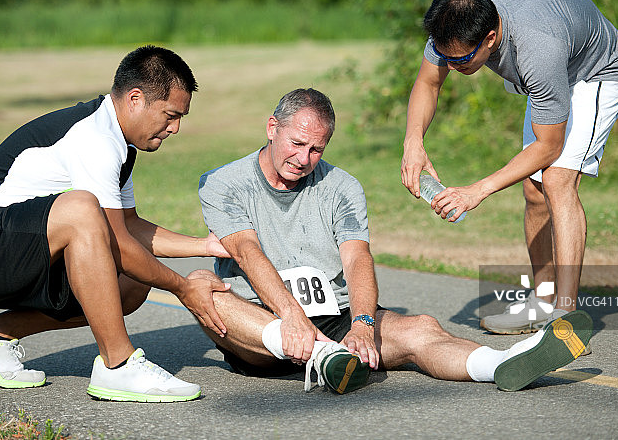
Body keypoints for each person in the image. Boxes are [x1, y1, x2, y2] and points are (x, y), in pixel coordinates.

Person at [193, 88, 592, 394]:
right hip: (262, 325)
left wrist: (364, 324)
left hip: (335, 316)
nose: (304, 158)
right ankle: (324, 356)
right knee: (201, 288)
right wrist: (291, 316)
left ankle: (501, 363)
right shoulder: (224, 182)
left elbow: (357, 258)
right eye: (297, 143)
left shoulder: (342, 185)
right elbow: (247, 252)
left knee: (421, 328)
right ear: (271, 128)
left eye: (317, 149)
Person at [0, 45, 232, 403]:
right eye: (170, 115)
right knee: (82, 209)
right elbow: (116, 243)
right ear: (135, 99)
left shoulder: (119, 145)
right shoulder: (96, 139)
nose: (176, 128)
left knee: (134, 281)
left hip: (9, 247)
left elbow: (128, 227)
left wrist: (205, 245)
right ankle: (117, 366)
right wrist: (183, 288)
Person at [401, 0, 618, 336]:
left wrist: (477, 190)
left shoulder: (538, 47)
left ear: (490, 38)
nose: (452, 66)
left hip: (593, 73)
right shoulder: (453, 19)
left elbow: (549, 146)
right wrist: (413, 143)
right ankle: (541, 302)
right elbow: (428, 82)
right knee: (533, 190)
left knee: (556, 180)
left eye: (461, 61)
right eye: (445, 56)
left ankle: (565, 317)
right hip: (551, 70)